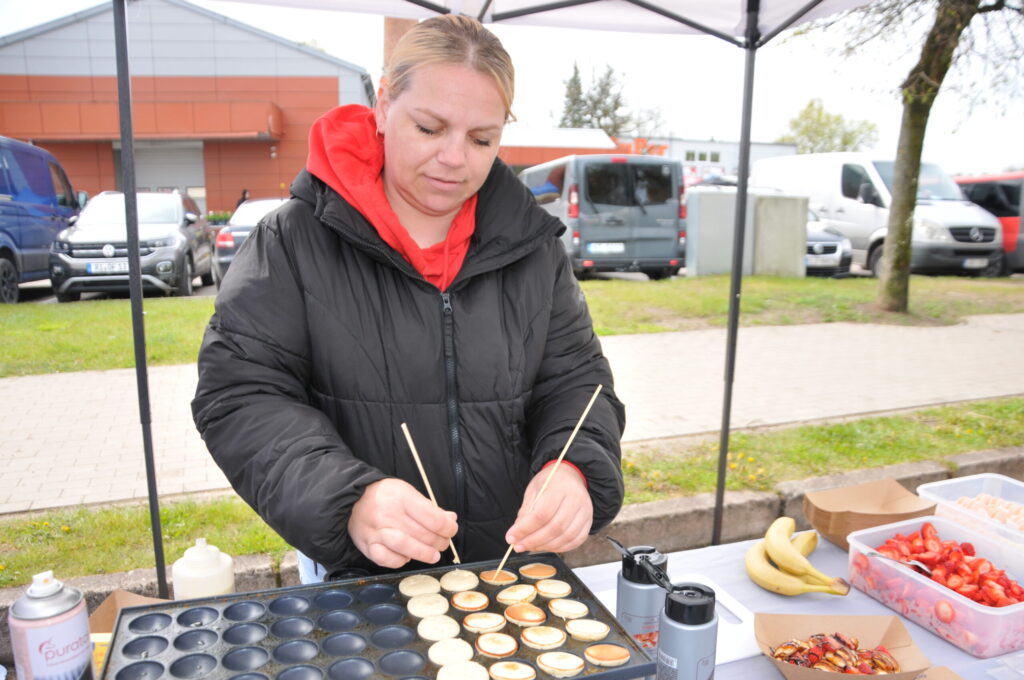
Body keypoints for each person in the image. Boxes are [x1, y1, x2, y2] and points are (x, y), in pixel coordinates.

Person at [192, 14, 625, 583]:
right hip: (361, 580)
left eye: (482, 139)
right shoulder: (293, 241)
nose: (455, 157)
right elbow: (241, 395)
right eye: (429, 128)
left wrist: (572, 467)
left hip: (510, 576)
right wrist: (349, 498)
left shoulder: (531, 248)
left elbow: (578, 382)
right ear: (383, 105)